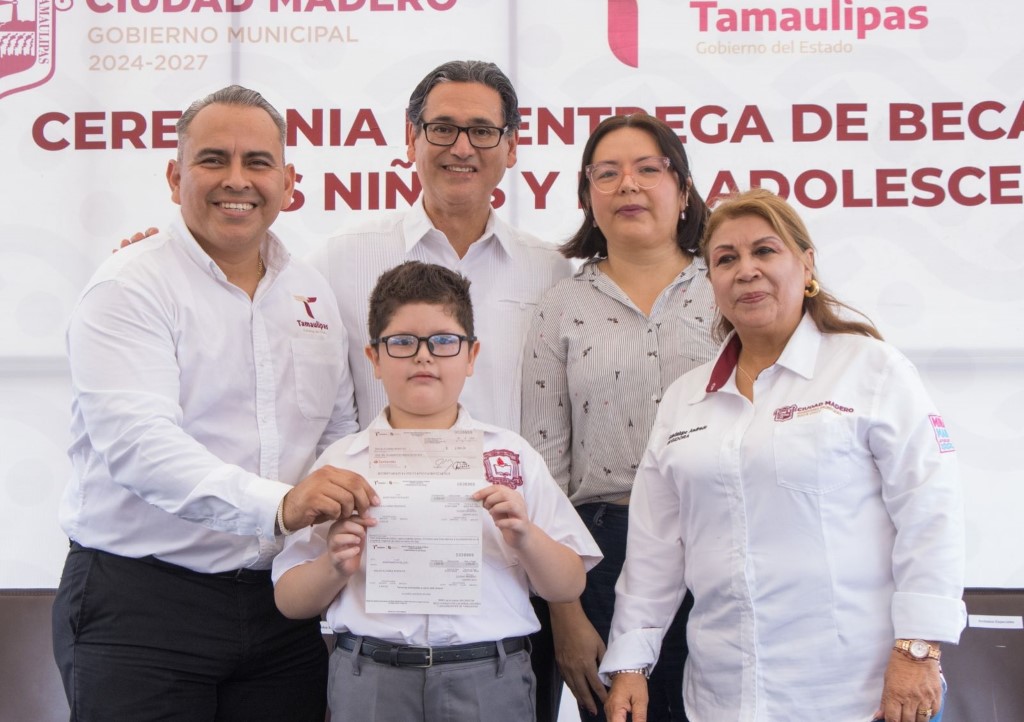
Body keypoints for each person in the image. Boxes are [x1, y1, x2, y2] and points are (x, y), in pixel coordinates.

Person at [53, 85, 379, 721]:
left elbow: (338, 434)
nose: (237, 180)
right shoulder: (129, 285)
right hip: (142, 607)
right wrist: (279, 506)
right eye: (213, 159)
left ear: (288, 182)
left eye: (258, 162)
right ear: (176, 177)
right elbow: (140, 447)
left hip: (283, 611)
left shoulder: (311, 293)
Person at [600, 188, 966, 722]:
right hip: (724, 696)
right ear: (711, 282)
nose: (746, 270)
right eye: (726, 259)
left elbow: (930, 513)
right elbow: (655, 547)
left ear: (806, 264)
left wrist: (919, 649)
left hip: (857, 695)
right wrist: (631, 662)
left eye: (765, 251)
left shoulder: (871, 369)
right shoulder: (684, 399)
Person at [272, 260, 602, 722]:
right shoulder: (341, 463)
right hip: (371, 677)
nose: (423, 357)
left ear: (471, 356)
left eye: (444, 341)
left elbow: (568, 584)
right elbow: (289, 600)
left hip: (490, 676)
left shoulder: (511, 457)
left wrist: (526, 537)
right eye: (402, 342)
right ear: (374, 359)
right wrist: (333, 566)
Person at [521, 112, 717, 721]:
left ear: (683, 189)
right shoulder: (561, 306)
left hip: (722, 533)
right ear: (587, 197)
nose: (627, 184)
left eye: (647, 169)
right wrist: (566, 611)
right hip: (606, 548)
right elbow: (545, 470)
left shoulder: (730, 284)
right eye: (606, 173)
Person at [309, 59, 572, 434]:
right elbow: (326, 415)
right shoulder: (339, 263)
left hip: (515, 474)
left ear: (511, 146)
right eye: (443, 129)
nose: (462, 148)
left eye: (482, 131)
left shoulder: (551, 272)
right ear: (411, 138)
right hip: (379, 474)